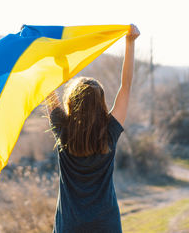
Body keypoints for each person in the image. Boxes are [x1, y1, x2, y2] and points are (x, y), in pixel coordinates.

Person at [44, 24, 140, 233]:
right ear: (101, 104)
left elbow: (47, 87)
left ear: (71, 102)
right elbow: (126, 86)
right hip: (106, 225)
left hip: (69, 226)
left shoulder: (63, 130)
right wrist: (130, 43)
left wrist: (38, 47)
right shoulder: (110, 132)